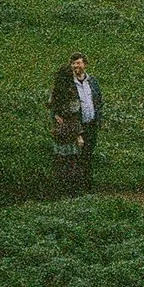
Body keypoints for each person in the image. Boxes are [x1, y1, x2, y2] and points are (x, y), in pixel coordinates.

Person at [49, 53, 100, 190]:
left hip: (90, 124)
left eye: (78, 63)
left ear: (85, 64)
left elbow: (98, 100)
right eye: (73, 63)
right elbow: (67, 110)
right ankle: (75, 189)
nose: (76, 66)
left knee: (87, 156)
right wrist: (78, 133)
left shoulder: (93, 82)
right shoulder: (68, 86)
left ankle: (86, 187)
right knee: (73, 158)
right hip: (74, 126)